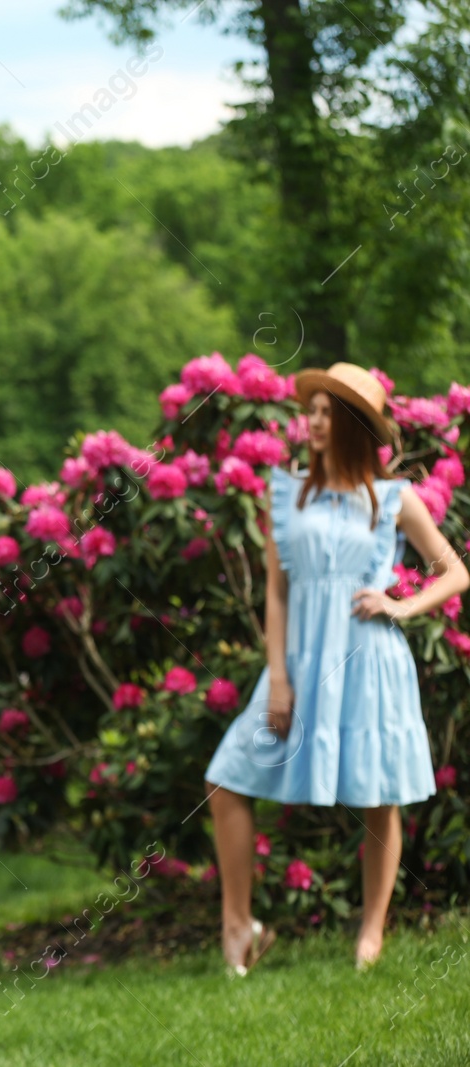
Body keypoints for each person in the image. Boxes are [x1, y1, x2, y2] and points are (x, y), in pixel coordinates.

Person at [203, 362, 468, 976]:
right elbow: (276, 592)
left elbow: (454, 570)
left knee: (379, 798)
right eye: (312, 411)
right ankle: (239, 927)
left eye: (326, 413)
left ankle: (370, 934)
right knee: (226, 779)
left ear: (349, 426)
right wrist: (278, 677)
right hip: (299, 663)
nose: (312, 422)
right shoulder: (288, 492)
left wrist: (402, 605)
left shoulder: (394, 499)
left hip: (370, 662)